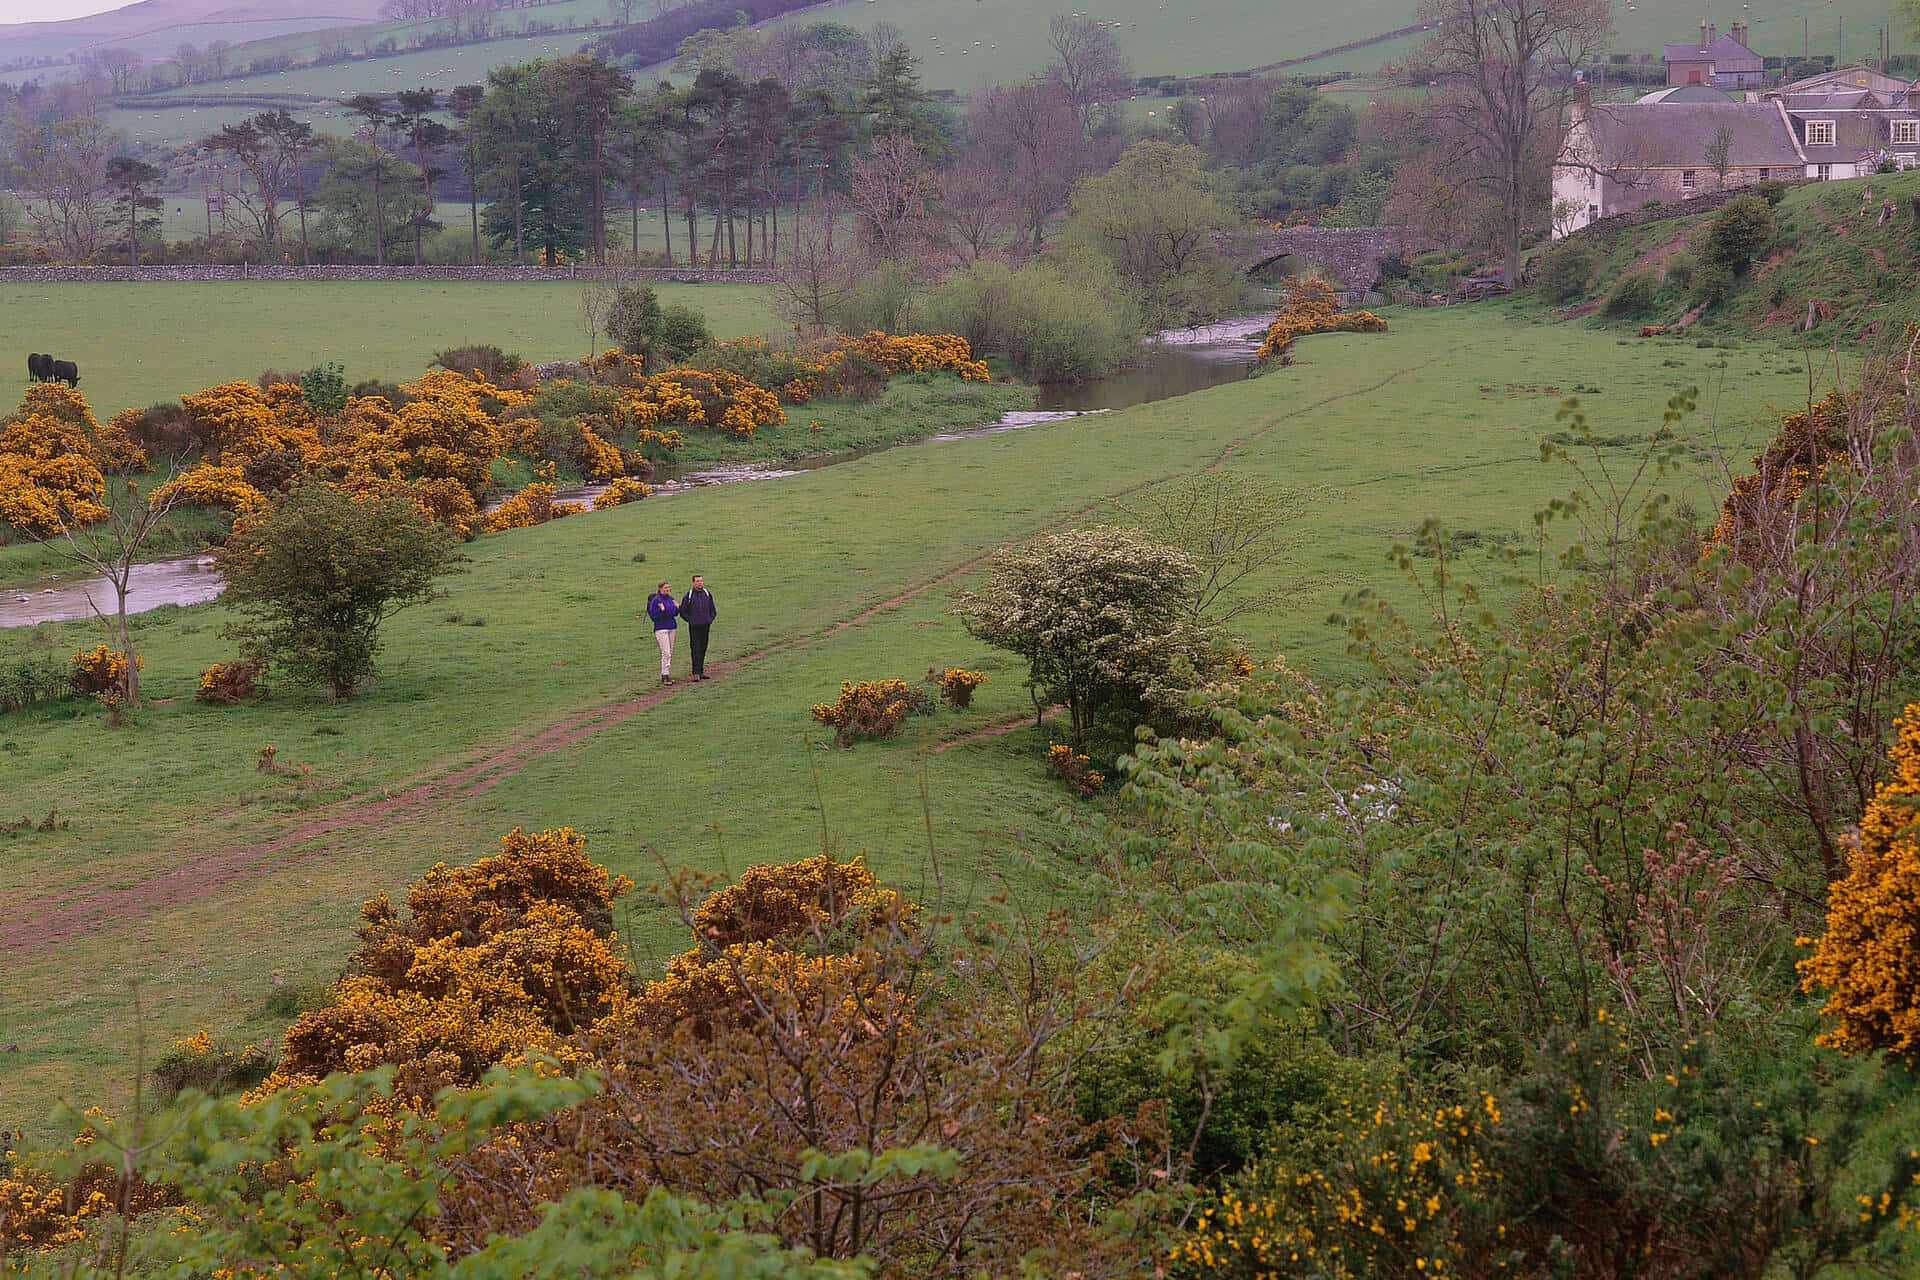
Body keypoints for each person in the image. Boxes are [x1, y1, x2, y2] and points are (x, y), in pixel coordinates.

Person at [679, 573, 718, 681]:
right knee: (695, 648)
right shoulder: (689, 595)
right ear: (693, 583)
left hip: (706, 625)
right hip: (694, 626)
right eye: (697, 581)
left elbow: (712, 608)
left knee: (703, 647)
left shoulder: (707, 593)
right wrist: (690, 620)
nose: (699, 583)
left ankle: (701, 671)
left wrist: (710, 619)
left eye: (701, 581)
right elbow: (683, 611)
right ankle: (695, 672)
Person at [646, 580, 679, 685]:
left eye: (668, 587)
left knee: (670, 652)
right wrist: (663, 610)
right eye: (665, 588)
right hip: (661, 628)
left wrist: (677, 608)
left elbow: (674, 612)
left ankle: (666, 674)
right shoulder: (656, 600)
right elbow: (654, 615)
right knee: (666, 652)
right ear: (660, 588)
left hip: (672, 627)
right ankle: (665, 675)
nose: (667, 589)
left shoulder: (670, 598)